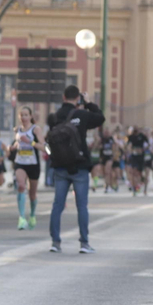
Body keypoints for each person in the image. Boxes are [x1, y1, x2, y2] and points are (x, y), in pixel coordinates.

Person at [44, 84, 104, 253]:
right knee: (82, 206)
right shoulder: (81, 115)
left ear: (63, 97)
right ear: (78, 98)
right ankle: (84, 243)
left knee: (57, 205)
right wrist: (89, 103)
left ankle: (55, 242)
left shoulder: (55, 116)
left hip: (60, 166)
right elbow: (100, 118)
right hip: (79, 166)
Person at [9, 105, 45, 229]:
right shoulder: (18, 130)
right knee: (21, 186)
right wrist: (12, 147)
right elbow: (17, 142)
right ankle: (22, 218)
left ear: (30, 116)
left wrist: (30, 142)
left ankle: (33, 215)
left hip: (33, 164)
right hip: (20, 162)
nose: (23, 117)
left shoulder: (36, 129)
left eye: (26, 115)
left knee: (32, 194)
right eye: (21, 115)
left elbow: (44, 147)